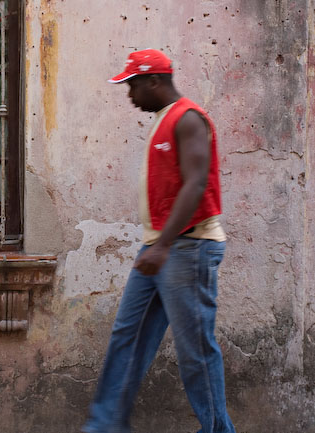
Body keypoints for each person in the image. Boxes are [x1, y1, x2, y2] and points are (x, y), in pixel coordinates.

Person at [81, 49, 236, 433]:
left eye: (132, 85)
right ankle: (105, 425)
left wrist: (163, 245)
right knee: (128, 336)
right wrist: (158, 246)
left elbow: (196, 185)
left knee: (195, 350)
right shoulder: (165, 118)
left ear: (154, 81)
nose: (130, 95)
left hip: (186, 247)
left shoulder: (188, 118)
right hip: (161, 248)